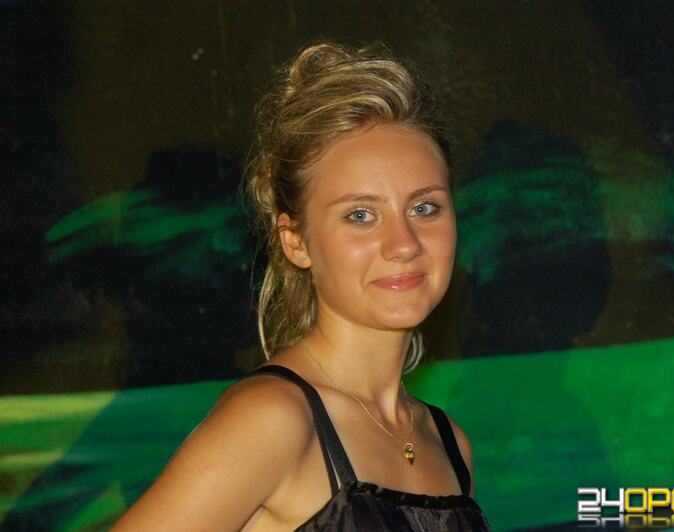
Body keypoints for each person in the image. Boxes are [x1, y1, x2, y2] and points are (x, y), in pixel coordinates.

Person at [113, 41, 491, 531]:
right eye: (361, 215)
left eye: (424, 208)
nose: (404, 244)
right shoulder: (273, 420)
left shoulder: (450, 443)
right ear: (296, 242)